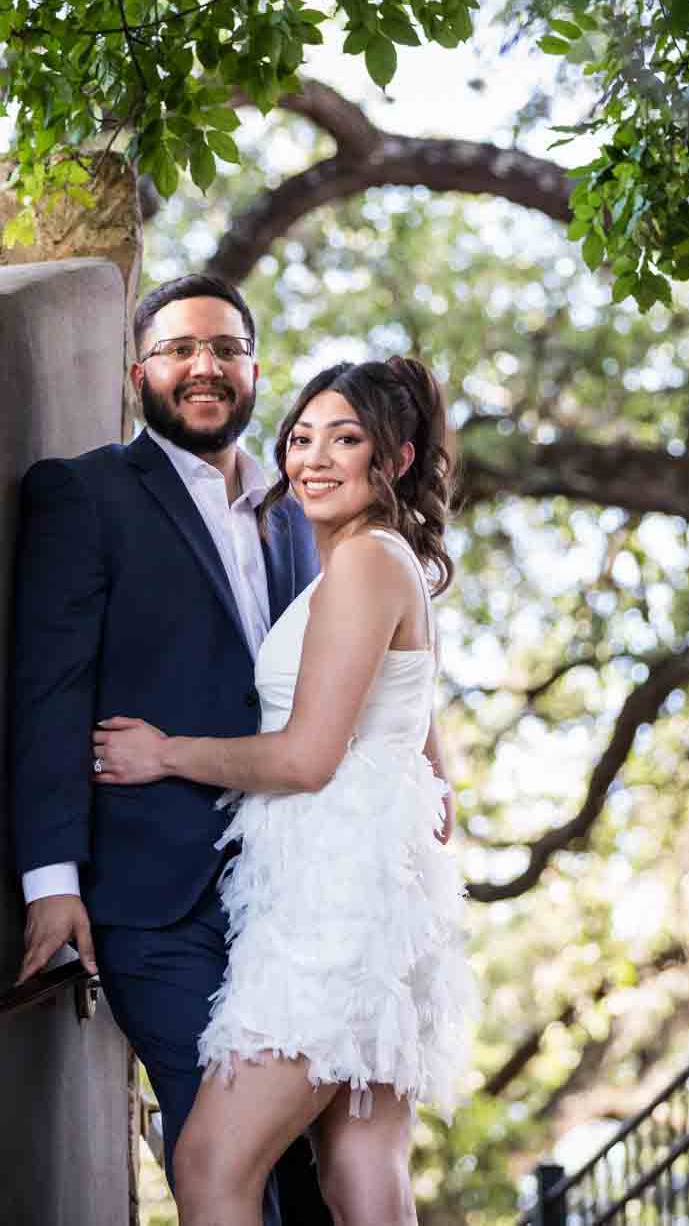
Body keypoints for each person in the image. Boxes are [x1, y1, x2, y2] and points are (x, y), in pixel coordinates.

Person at [91, 356, 477, 1226]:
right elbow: (436, 782)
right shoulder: (383, 564)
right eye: (302, 436)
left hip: (334, 911)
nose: (314, 457)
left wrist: (165, 753)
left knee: (213, 1162)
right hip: (371, 900)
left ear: (399, 458)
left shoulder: (366, 566)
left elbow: (305, 758)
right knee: (357, 1166)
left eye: (346, 439)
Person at [8, 274, 326, 1225]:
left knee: (307, 1170)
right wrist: (50, 881)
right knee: (217, 1151)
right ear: (138, 371)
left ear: (255, 371)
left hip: (287, 895)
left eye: (226, 350)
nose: (205, 367)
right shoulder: (86, 492)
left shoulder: (293, 517)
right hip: (156, 903)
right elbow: (49, 690)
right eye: (182, 349)